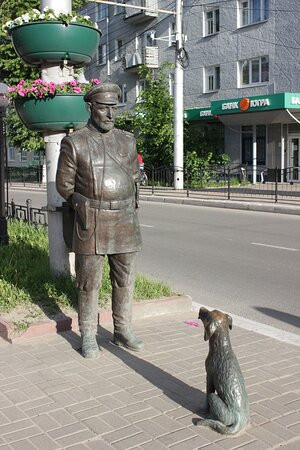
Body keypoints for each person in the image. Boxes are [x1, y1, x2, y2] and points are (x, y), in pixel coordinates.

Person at [56, 82, 144, 358]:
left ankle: (122, 330)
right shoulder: (75, 142)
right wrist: (79, 202)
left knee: (125, 279)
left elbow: (132, 174)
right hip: (91, 220)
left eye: (114, 108)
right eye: (104, 108)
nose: (110, 114)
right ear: (90, 107)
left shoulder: (127, 140)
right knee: (88, 281)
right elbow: (64, 184)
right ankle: (89, 335)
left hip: (125, 219)